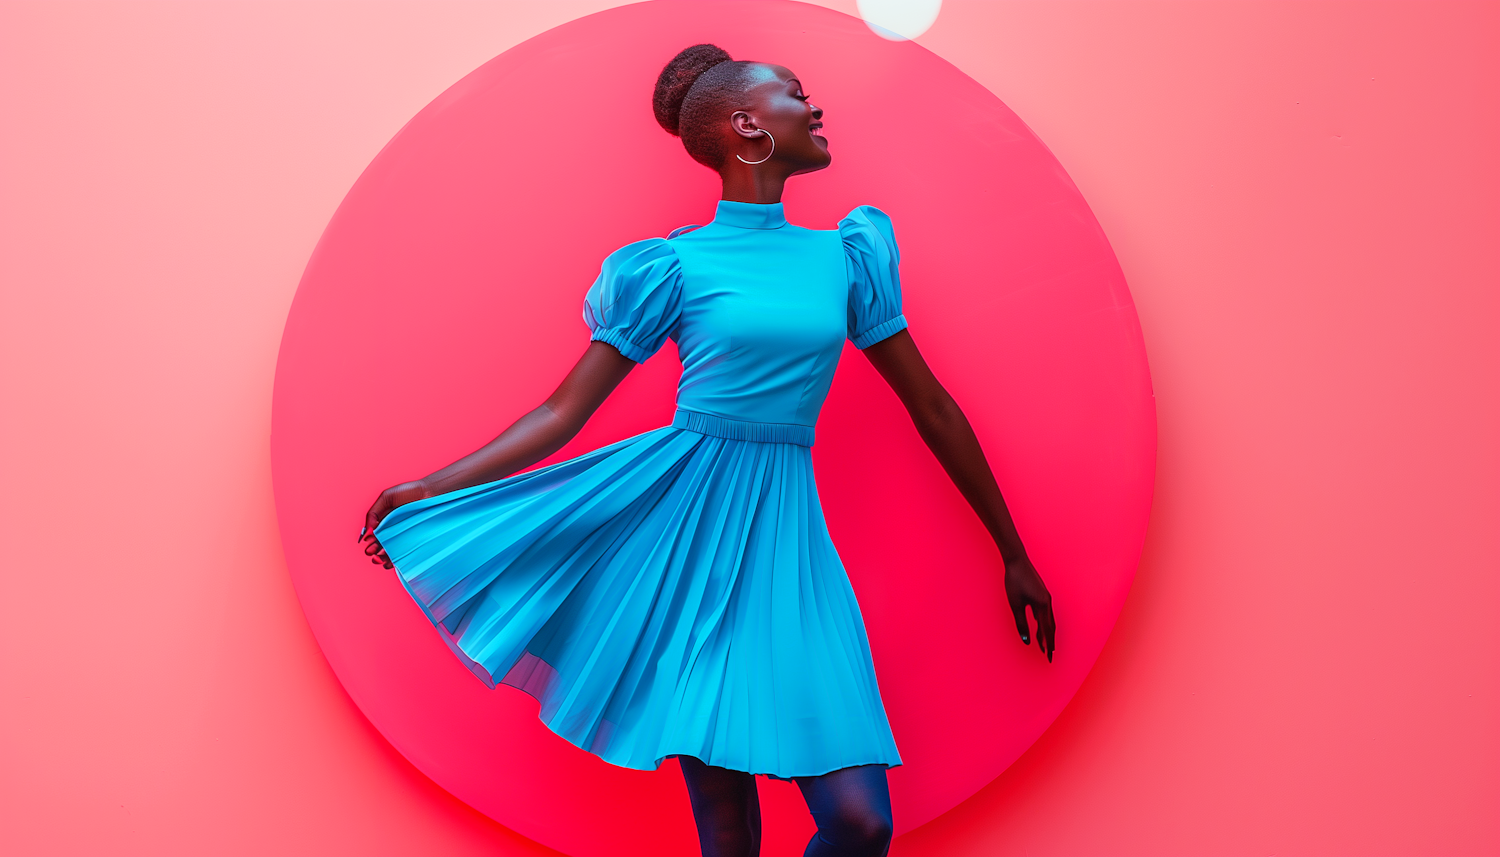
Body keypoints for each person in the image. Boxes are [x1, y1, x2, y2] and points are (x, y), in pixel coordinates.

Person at [360, 43, 1055, 857]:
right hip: (684, 545)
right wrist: (429, 486)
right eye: (797, 94)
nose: (817, 107)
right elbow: (561, 412)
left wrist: (1011, 549)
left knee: (862, 824)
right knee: (729, 839)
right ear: (747, 125)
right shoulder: (673, 266)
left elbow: (931, 405)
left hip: (792, 546)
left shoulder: (847, 257)